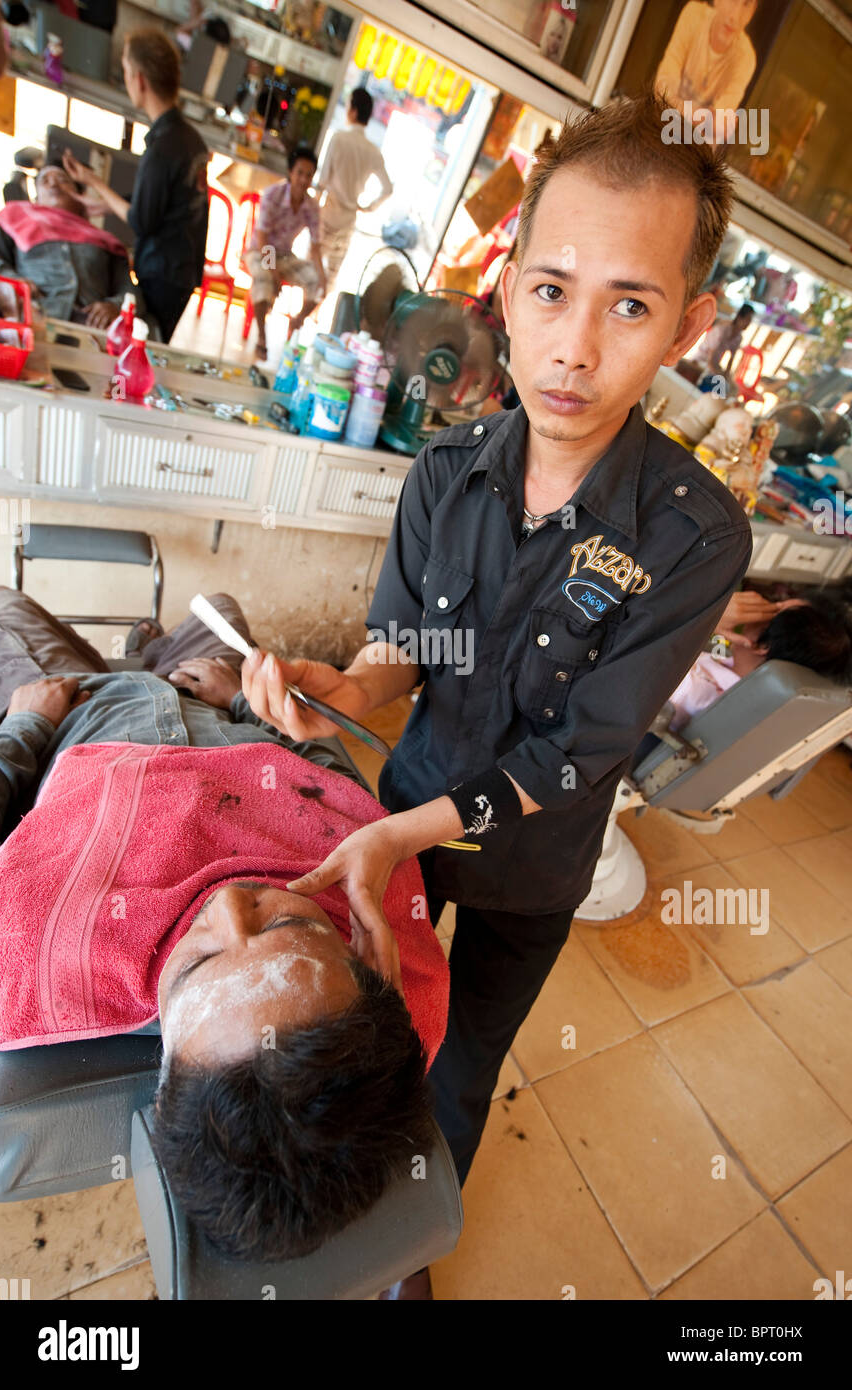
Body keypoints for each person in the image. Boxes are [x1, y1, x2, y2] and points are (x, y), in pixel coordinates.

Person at [236, 90, 755, 1298]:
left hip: (529, 866)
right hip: (411, 815)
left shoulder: (695, 537)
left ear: (687, 325)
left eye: (630, 303)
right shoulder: (442, 475)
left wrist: (393, 828)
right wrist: (340, 689)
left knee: (464, 1065)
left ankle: (408, 1253)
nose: (576, 346)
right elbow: (403, 650)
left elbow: (584, 748)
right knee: (377, 1035)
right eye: (553, 290)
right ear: (508, 286)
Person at [0, 586, 447, 1263]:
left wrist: (23, 726)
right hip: (218, 707)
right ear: (366, 958)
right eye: (289, 926)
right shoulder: (376, 899)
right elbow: (330, 786)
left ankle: (136, 652)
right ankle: (152, 644)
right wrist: (241, 702)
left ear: (162, 1059)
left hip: (79, 713)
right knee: (221, 604)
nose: (229, 905)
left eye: (200, 964)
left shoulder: (18, 959)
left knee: (3, 606)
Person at [61, 28, 209, 343]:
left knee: (144, 344)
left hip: (163, 271)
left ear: (139, 79)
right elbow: (165, 200)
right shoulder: (188, 138)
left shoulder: (163, 147)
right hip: (182, 269)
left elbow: (143, 220)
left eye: (126, 71)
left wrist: (94, 181)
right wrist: (105, 202)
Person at [664, 590, 852, 730]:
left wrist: (707, 616)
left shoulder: (700, 693)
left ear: (763, 645)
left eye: (773, 609)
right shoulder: (726, 665)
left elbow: (644, 664)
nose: (762, 605)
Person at [0, 164, 146, 330]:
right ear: (36, 197)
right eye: (44, 181)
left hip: (91, 332)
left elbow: (133, 294)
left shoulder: (107, 241)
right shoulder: (15, 218)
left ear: (80, 196)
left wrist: (115, 306)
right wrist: (12, 281)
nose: (54, 185)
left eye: (63, 180)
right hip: (30, 319)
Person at [245, 144, 326, 358]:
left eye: (308, 175)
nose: (303, 179)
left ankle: (297, 323)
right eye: (299, 173)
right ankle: (262, 337)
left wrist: (323, 277)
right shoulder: (273, 194)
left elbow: (316, 245)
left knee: (316, 280)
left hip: (285, 256)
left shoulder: (311, 206)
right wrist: (273, 271)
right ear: (291, 172)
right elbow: (262, 236)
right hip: (259, 251)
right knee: (263, 277)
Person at [316, 86, 393, 288]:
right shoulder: (373, 151)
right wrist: (367, 207)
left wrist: (312, 209)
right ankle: (308, 315)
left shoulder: (339, 138)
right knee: (330, 277)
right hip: (349, 220)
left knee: (311, 268)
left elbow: (322, 181)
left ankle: (298, 315)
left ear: (354, 110)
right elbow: (388, 189)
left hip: (328, 215)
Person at [655, 0, 759, 142]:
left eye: (746, 5)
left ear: (752, 13)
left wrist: (676, 105)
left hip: (695, 147)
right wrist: (704, 117)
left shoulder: (746, 58)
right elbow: (663, 85)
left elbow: (720, 124)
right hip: (657, 127)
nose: (735, 16)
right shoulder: (694, 15)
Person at [695, 301, 754, 376]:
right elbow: (710, 358)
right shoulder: (722, 330)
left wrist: (726, 375)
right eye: (747, 319)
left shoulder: (738, 338)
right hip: (700, 361)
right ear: (739, 317)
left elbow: (731, 360)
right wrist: (719, 374)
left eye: (750, 320)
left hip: (712, 365)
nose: (748, 323)